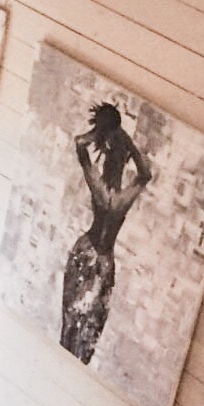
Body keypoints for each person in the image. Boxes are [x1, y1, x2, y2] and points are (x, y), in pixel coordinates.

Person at [60, 102, 153, 363]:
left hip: (92, 257)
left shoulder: (103, 189)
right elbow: (145, 174)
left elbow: (80, 145)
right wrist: (123, 140)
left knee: (80, 322)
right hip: (97, 258)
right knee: (81, 323)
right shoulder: (121, 197)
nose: (110, 168)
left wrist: (103, 134)